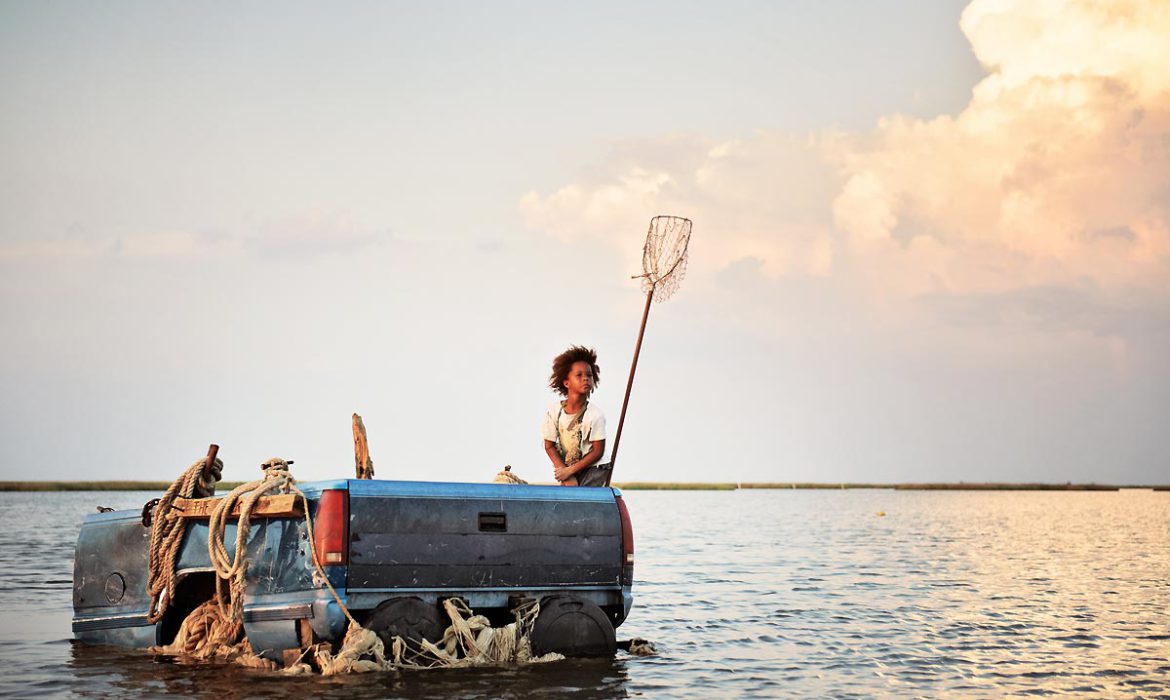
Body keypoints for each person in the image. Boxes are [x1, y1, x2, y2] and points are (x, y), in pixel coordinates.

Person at [542, 345, 608, 486]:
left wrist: (570, 471)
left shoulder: (595, 415)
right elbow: (549, 446)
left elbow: (598, 452)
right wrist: (564, 472)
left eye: (589, 376)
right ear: (566, 382)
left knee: (580, 496)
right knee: (568, 490)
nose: (585, 379)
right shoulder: (554, 412)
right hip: (570, 466)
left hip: (595, 467)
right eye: (579, 375)